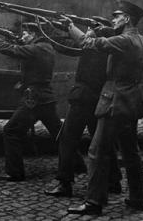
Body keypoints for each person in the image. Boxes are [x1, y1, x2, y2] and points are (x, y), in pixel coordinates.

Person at [66, 0, 143, 216]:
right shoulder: (138, 38)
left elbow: (89, 43)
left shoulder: (124, 40)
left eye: (117, 16)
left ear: (127, 19)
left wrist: (70, 28)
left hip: (114, 101)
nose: (113, 19)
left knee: (97, 151)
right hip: (130, 101)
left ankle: (94, 202)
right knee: (131, 153)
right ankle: (138, 198)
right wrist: (101, 30)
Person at [44, 16, 122, 198]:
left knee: (67, 139)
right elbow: (66, 44)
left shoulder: (95, 44)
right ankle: (114, 181)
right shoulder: (103, 44)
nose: (86, 32)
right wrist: (48, 28)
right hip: (97, 99)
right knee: (103, 142)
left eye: (90, 29)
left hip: (83, 98)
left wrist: (53, 28)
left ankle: (64, 183)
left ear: (99, 30)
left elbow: (70, 44)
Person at [0, 22, 61, 181]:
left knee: (11, 131)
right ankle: (78, 165)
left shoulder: (36, 49)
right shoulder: (47, 47)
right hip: (46, 97)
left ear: (34, 34)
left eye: (25, 33)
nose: (22, 35)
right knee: (60, 134)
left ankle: (14, 172)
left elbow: (8, 50)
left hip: (34, 99)